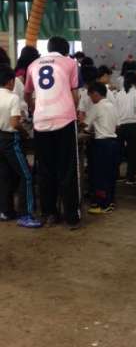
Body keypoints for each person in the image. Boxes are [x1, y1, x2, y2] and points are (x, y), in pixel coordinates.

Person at [24, 36, 81, 230]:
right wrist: (73, 110)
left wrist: (35, 108)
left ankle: (49, 213)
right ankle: (71, 216)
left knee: (45, 169)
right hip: (64, 120)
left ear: (48, 48)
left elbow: (27, 93)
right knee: (68, 168)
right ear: (65, 50)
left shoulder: (33, 65)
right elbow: (75, 95)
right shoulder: (70, 63)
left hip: (41, 122)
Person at [0, 66, 42, 227]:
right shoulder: (13, 98)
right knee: (26, 176)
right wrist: (24, 132)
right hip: (10, 140)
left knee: (5, 176)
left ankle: (5, 211)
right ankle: (26, 214)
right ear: (11, 81)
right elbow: (14, 123)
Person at [85, 82, 119, 214]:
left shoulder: (97, 107)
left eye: (90, 96)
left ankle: (102, 204)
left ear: (95, 94)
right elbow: (117, 125)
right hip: (113, 142)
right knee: (110, 174)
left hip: (101, 144)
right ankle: (110, 201)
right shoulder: (112, 106)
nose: (90, 99)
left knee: (100, 175)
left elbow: (86, 126)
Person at [116, 71, 136, 185]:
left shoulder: (118, 94)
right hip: (133, 126)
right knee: (133, 153)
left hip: (120, 126)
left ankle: (117, 176)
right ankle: (130, 178)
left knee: (118, 152)